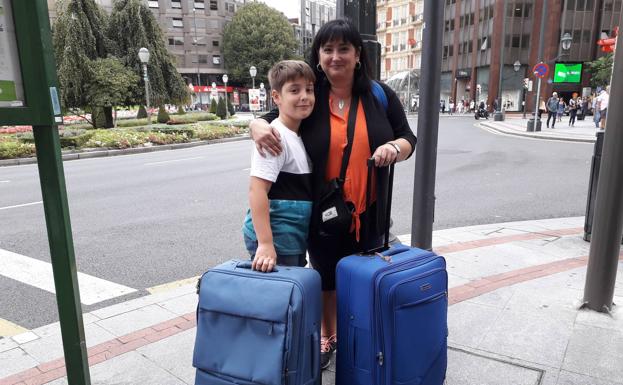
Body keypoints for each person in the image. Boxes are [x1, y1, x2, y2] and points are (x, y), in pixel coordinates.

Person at [248, 19, 416, 370]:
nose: (335, 56)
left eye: (344, 49)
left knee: (365, 274)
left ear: (358, 55)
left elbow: (407, 137)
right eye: (328, 49)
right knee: (325, 275)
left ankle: (362, 334)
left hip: (369, 208)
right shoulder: (310, 95)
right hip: (323, 209)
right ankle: (329, 336)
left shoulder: (379, 95)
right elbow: (271, 117)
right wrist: (256, 125)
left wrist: (393, 148)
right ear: (319, 55)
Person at [242, 60, 316, 272]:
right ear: (276, 97)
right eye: (294, 90)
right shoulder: (274, 137)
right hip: (277, 238)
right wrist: (265, 244)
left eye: (309, 90)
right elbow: (257, 190)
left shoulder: (299, 133)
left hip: (291, 236)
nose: (304, 96)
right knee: (279, 299)